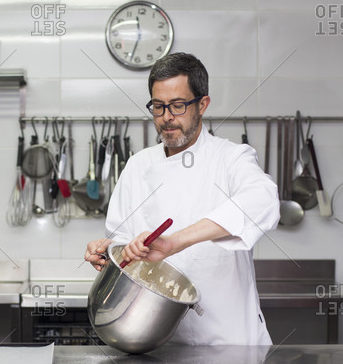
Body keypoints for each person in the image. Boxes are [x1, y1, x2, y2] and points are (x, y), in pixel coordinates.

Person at [84, 52, 280, 345]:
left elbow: (263, 201)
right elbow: (124, 243)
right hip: (156, 341)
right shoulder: (138, 166)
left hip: (229, 342)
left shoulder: (230, 158)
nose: (166, 118)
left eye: (177, 106)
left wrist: (175, 242)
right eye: (158, 107)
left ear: (202, 105)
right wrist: (109, 252)